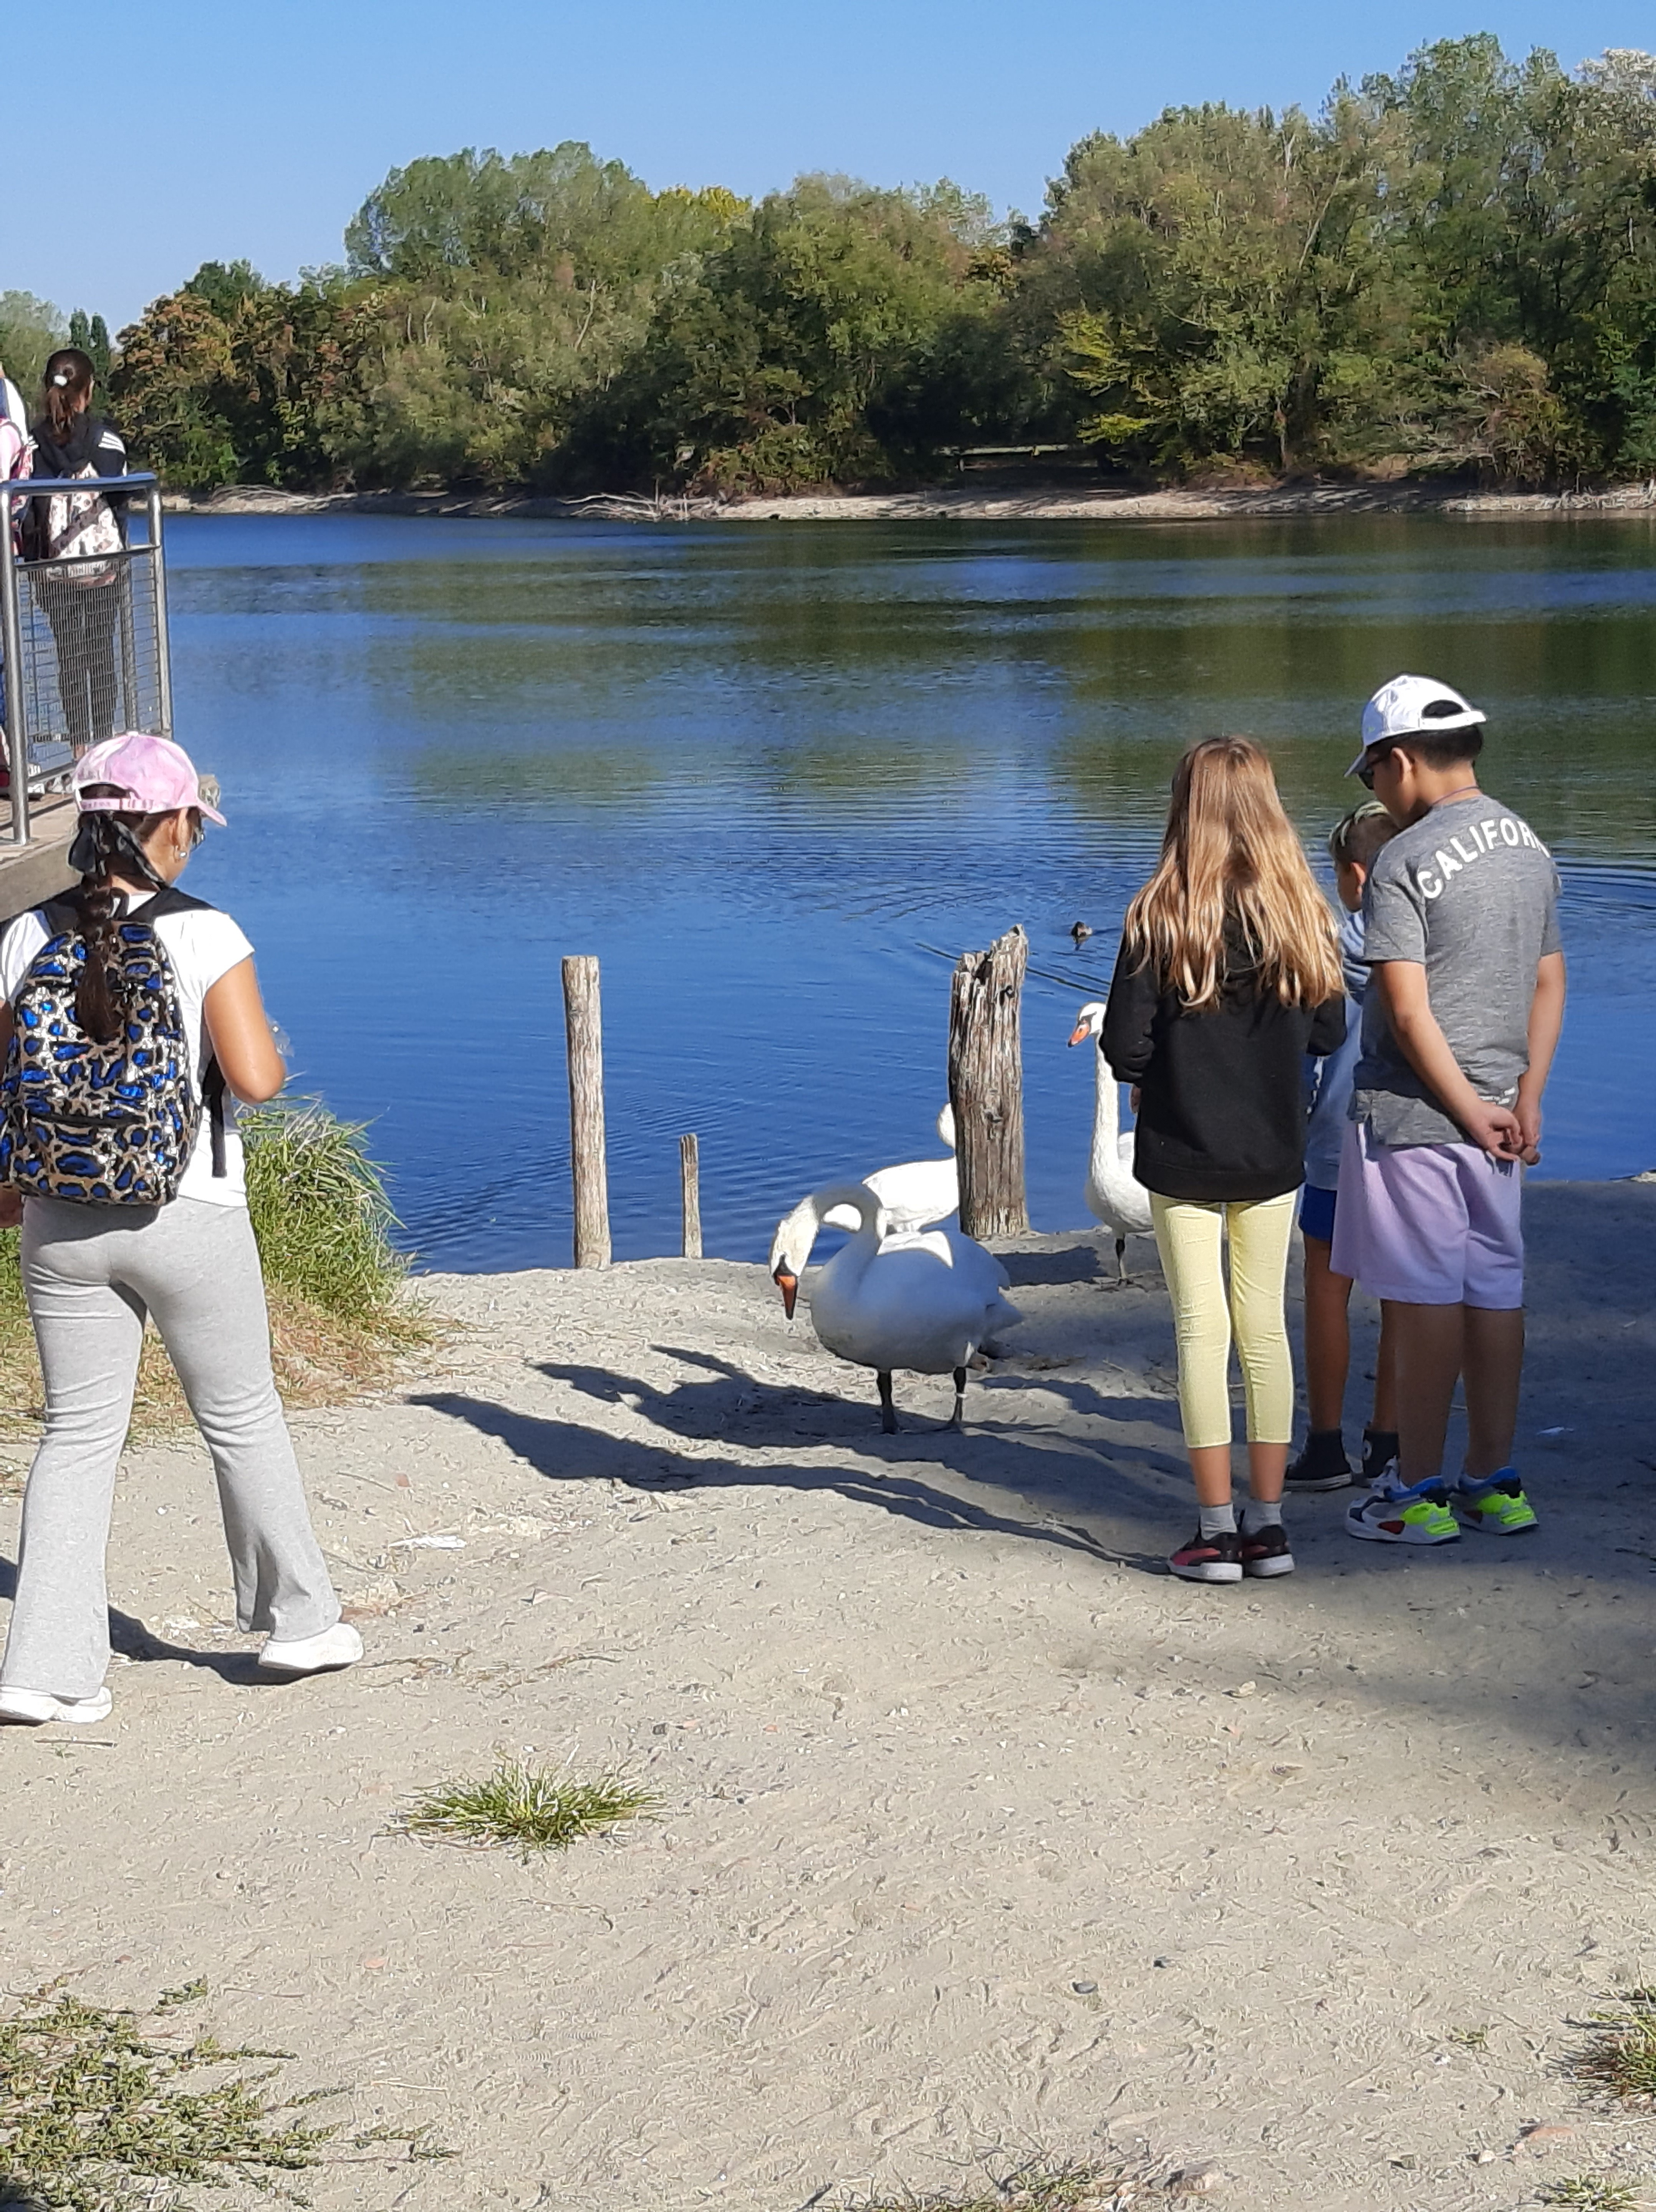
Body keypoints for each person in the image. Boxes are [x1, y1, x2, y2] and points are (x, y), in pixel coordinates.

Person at [0, 732, 359, 1726]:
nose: (194, 839)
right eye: (191, 823)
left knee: (75, 1436)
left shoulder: (24, 936)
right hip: (189, 1212)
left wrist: (13, 1188)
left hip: (60, 1226)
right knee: (240, 1417)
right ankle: (299, 1625)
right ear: (164, 826)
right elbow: (255, 1080)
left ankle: (46, 1670)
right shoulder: (206, 934)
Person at [1103, 736, 1347, 1584]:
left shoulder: (1156, 917)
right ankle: (1269, 1526)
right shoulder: (1302, 915)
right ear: (1270, 812)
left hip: (1180, 1154)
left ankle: (1213, 1531)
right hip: (1272, 1151)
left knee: (1199, 1328)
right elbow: (1328, 1032)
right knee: (1263, 1330)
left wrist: (1164, 1066)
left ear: (1184, 809)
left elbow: (1123, 1050)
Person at [1331, 674, 1565, 1545]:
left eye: (1370, 777)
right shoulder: (1529, 844)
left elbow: (1407, 1009)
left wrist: (1463, 1109)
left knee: (1423, 1299)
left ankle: (1416, 1493)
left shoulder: (1403, 858)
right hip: (1508, 1113)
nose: (1373, 795)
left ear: (1399, 762)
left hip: (1418, 1117)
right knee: (1496, 1291)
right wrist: (1523, 1096)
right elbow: (1549, 977)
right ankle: (1495, 1480)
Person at [1285, 801, 1399, 1493]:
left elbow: (1305, 1053)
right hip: (1399, 1141)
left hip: (1333, 1141)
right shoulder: (1427, 946)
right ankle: (1386, 1439)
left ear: (1355, 876)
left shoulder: (1322, 953)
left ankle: (1324, 1443)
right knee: (1399, 1293)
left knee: (1325, 1292)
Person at [25, 348, 128, 753]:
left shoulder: (33, 444)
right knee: (101, 651)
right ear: (89, 391)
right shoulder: (105, 440)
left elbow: (28, 509)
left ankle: (78, 750)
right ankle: (105, 746)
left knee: (68, 653)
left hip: (53, 569)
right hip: (103, 567)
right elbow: (126, 495)